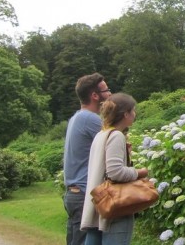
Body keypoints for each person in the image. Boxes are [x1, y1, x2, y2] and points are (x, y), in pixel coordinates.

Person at [80, 93, 148, 244]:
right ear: (126, 114)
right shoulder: (116, 135)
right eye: (133, 110)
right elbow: (115, 172)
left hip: (97, 205)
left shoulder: (101, 134)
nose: (135, 114)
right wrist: (139, 172)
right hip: (114, 207)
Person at [62, 73, 111, 245]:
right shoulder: (90, 119)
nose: (110, 94)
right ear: (95, 95)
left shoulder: (77, 117)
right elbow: (114, 145)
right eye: (106, 90)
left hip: (74, 194)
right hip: (83, 195)